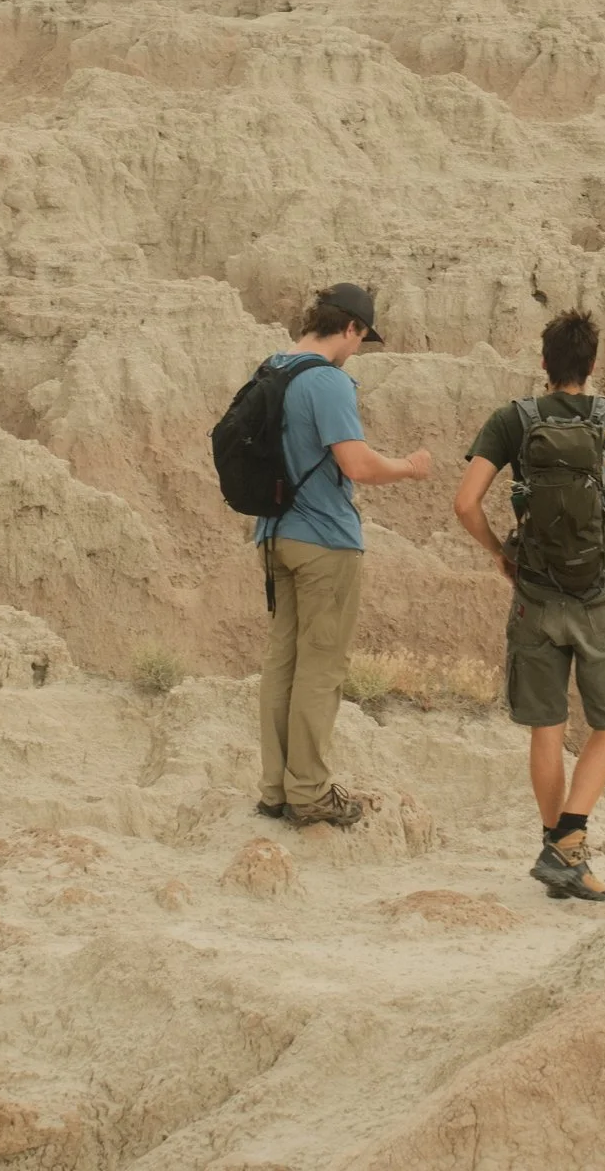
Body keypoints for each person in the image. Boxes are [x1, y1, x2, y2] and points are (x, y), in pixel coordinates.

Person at [453, 310, 605, 900]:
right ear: (592, 365)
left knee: (546, 727)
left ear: (544, 364)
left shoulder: (511, 420)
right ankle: (568, 845)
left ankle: (557, 848)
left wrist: (500, 554)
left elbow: (466, 503)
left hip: (534, 598)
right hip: (600, 597)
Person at [256, 282, 432, 828]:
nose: (359, 348)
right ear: (350, 327)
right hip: (324, 539)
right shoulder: (326, 381)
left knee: (282, 662)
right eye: (362, 338)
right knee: (321, 667)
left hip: (273, 534)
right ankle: (309, 793)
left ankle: (276, 788)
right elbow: (355, 465)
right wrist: (408, 466)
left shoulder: (272, 367)